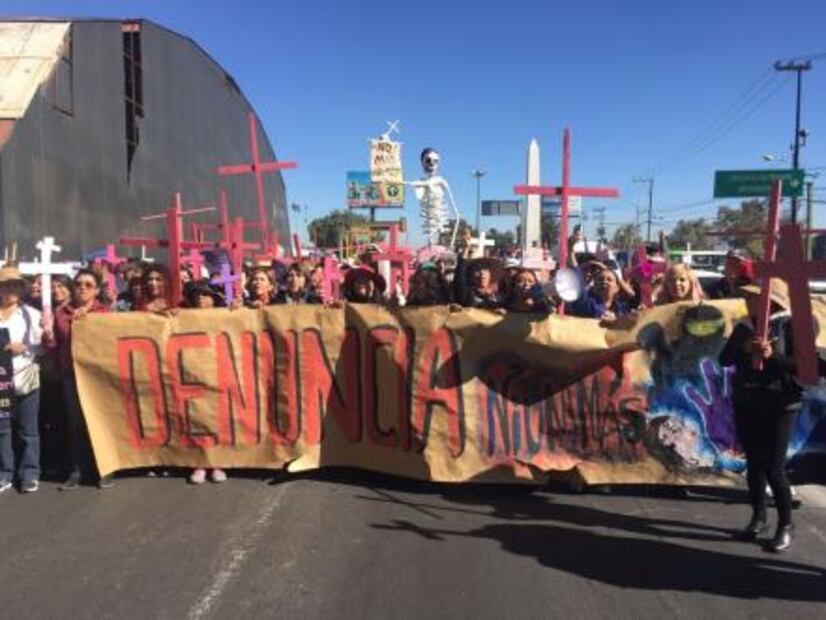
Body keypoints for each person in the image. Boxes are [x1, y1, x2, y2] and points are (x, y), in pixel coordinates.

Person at [718, 279, 820, 552]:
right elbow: (724, 359)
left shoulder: (795, 325)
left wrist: (772, 356)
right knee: (754, 464)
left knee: (774, 467)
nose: (747, 300)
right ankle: (759, 517)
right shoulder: (744, 327)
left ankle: (786, 525)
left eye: (754, 297)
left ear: (770, 301)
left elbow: (809, 366)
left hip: (780, 403)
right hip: (747, 400)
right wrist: (744, 348)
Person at [43, 268, 112, 489]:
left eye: (88, 285)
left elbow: (109, 342)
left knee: (98, 422)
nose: (82, 288)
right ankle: (77, 469)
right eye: (78, 284)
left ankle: (103, 468)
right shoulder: (61, 312)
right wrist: (48, 335)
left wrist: (88, 320)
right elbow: (54, 346)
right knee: (75, 424)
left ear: (97, 290)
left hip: (96, 377)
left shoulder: (105, 313)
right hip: (71, 375)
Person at [0, 267, 44, 493]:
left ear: (21, 289)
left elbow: (43, 347)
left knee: (28, 429)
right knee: (2, 430)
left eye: (14, 285)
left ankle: (30, 473)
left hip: (25, 377)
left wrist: (25, 348)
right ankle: (5, 473)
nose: (10, 290)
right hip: (1, 383)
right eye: (6, 285)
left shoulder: (32, 315)